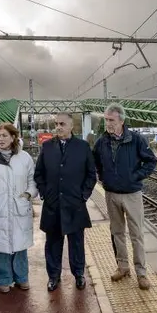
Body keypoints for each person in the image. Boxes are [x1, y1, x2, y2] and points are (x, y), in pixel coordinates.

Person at [93, 103, 157, 290]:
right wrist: (103, 177)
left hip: (132, 195)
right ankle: (122, 267)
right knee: (117, 232)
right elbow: (95, 161)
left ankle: (141, 273)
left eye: (111, 120)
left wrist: (135, 176)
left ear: (121, 120)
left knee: (136, 234)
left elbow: (151, 161)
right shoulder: (101, 141)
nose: (108, 123)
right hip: (111, 194)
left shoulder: (136, 140)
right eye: (106, 120)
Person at [34, 113, 96, 292]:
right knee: (52, 242)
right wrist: (46, 193)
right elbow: (39, 174)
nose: (58, 127)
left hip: (75, 204)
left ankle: (79, 274)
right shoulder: (47, 147)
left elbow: (91, 174)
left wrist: (83, 196)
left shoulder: (82, 147)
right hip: (53, 204)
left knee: (76, 242)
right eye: (56, 124)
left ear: (71, 126)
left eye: (62, 124)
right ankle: (53, 276)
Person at [0, 123, 37, 292]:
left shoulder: (24, 157)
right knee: (0, 243)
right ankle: (2, 279)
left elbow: (32, 180)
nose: (1, 139)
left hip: (19, 205)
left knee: (19, 243)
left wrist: (28, 194)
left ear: (13, 138)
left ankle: (21, 277)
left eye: (5, 135)